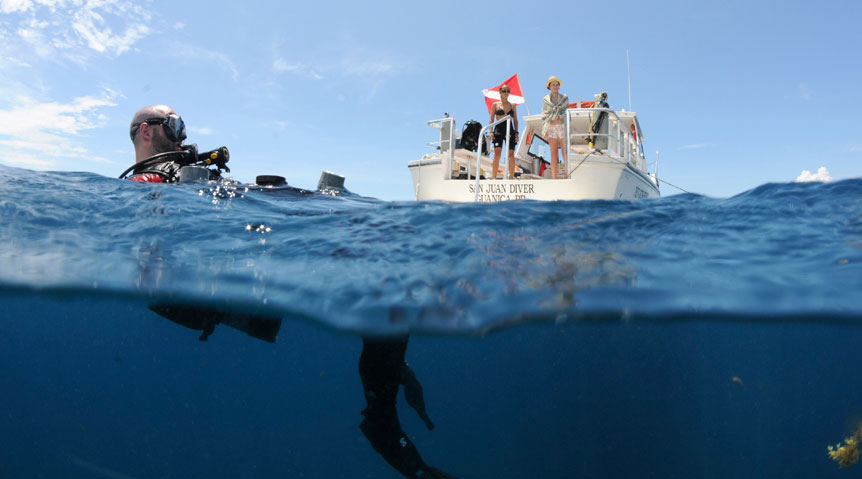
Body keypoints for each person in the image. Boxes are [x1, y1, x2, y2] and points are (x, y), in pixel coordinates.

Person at [128, 104, 187, 182]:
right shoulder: (142, 181)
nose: (182, 136)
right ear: (146, 132)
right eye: (173, 125)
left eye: (181, 128)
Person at [488, 84, 519, 179]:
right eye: (504, 91)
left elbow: (515, 120)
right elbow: (491, 119)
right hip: (499, 128)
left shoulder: (512, 105)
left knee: (511, 154)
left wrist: (516, 133)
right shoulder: (495, 105)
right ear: (500, 93)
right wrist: (491, 131)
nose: (506, 93)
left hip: (510, 128)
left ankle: (511, 177)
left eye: (508, 91)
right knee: (497, 153)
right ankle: (494, 177)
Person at [541, 76, 568, 179]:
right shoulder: (546, 100)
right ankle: (554, 177)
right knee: (553, 153)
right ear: (549, 86)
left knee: (564, 151)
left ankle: (567, 173)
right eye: (553, 85)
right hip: (551, 127)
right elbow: (545, 115)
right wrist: (553, 119)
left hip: (562, 126)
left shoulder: (564, 98)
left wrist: (558, 117)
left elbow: (566, 112)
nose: (555, 86)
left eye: (557, 85)